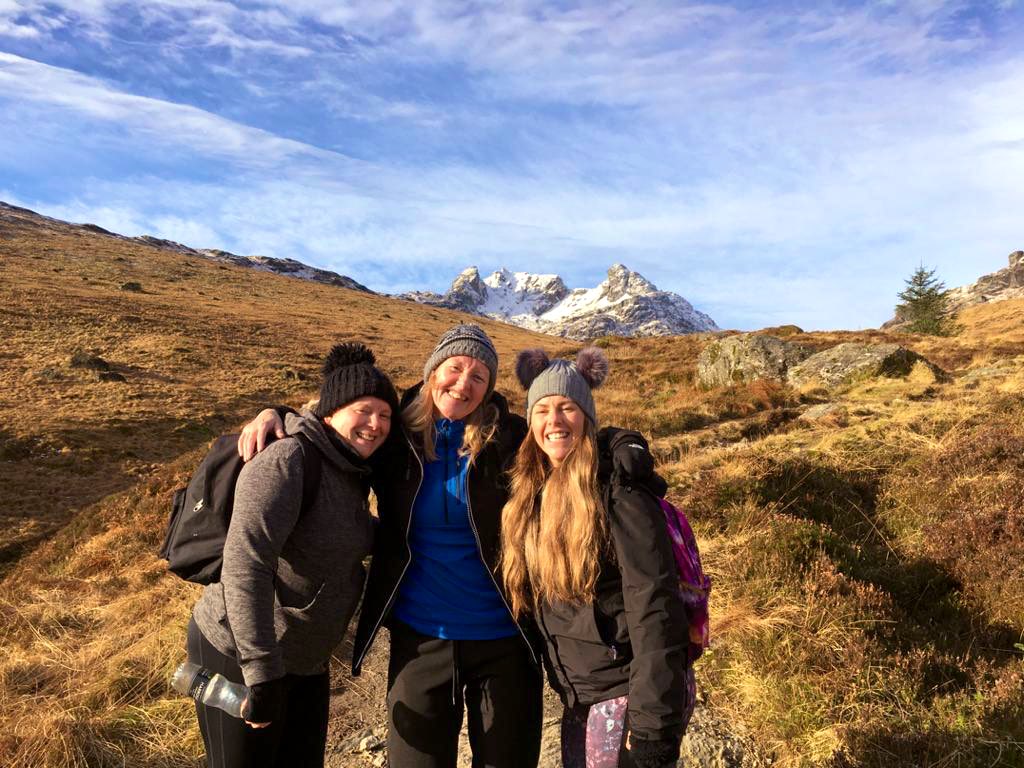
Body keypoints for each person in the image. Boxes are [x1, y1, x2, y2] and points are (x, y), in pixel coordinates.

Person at [240, 325, 657, 768]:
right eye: (455, 368)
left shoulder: (507, 437)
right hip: (421, 638)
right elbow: (336, 426)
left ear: (489, 388)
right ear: (432, 370)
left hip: (505, 636)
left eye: (479, 376)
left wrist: (624, 441)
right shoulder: (394, 432)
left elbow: (564, 432)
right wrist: (277, 413)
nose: (464, 383)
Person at [188, 342, 399, 768]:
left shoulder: (351, 469)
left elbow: (343, 533)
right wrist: (261, 673)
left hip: (304, 659)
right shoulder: (288, 460)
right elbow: (246, 566)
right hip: (239, 653)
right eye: (363, 410)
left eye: (385, 415)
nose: (376, 424)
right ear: (331, 411)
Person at [501, 347, 696, 768]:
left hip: (627, 698)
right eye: (543, 409)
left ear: (587, 418)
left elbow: (655, 605)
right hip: (582, 696)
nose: (554, 421)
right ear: (530, 420)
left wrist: (653, 727)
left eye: (568, 407)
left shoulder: (618, 491)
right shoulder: (529, 491)